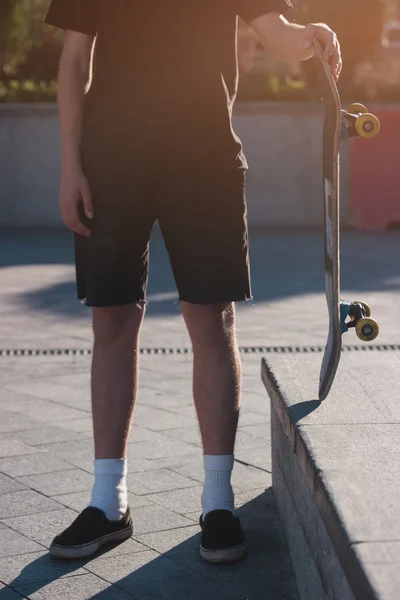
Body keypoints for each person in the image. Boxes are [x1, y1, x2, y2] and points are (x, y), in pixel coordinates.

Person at [44, 0, 341, 564]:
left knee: (210, 317)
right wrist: (70, 165)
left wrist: (312, 34)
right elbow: (75, 56)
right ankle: (108, 503)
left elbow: (276, 33)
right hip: (110, 161)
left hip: (204, 159)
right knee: (111, 318)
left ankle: (218, 502)